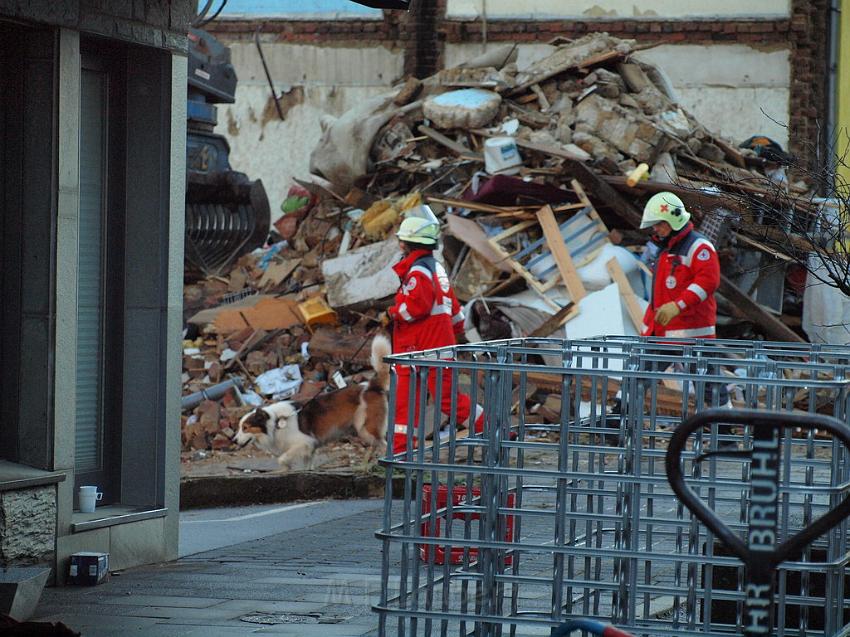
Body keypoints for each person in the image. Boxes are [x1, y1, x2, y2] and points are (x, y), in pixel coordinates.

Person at [383, 206, 483, 455]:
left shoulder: (417, 272)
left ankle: (401, 454)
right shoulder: (436, 269)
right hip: (436, 347)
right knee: (441, 399)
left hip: (418, 347)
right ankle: (492, 430)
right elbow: (454, 310)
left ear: (406, 243)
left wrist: (391, 314)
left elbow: (416, 308)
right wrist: (456, 333)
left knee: (410, 403)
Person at [637, 192, 733, 441]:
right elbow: (660, 294)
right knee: (637, 376)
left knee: (710, 386)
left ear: (674, 220)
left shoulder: (698, 247)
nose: (656, 229)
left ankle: (724, 432)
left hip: (692, 334)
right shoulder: (666, 250)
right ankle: (618, 419)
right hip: (662, 332)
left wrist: (678, 305)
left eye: (660, 224)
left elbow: (708, 282)